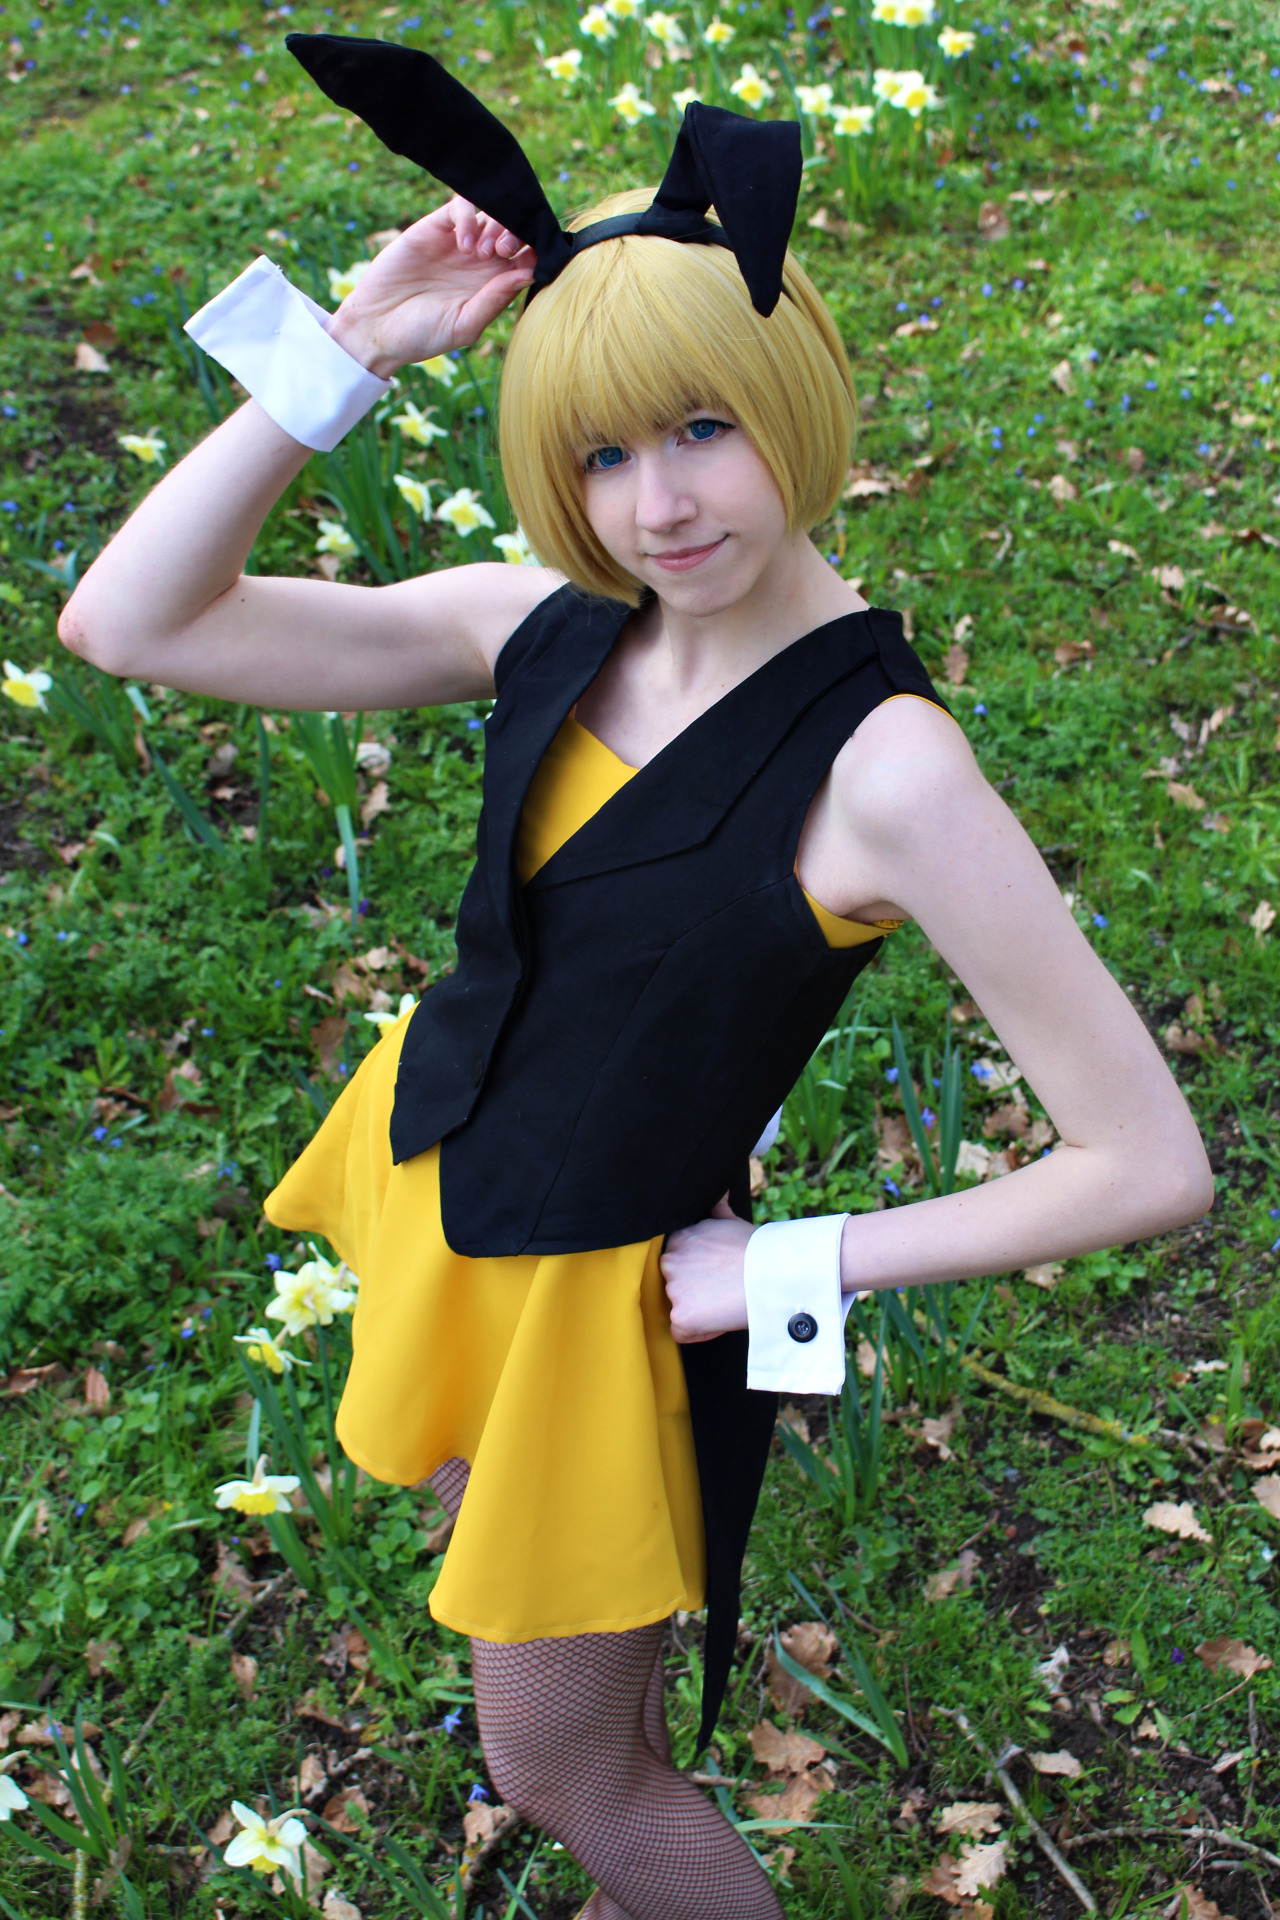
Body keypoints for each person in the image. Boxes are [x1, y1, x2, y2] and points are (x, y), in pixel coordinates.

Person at [59, 42, 1212, 1920]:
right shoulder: (545, 626)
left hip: (605, 1303)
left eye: (700, 430)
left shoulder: (888, 773)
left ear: (793, 396)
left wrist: (794, 1263)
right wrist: (348, 351)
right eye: (600, 455)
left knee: (566, 1765)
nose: (658, 505)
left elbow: (1148, 1163)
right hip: (453, 1198)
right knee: (536, 1629)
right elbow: (129, 623)